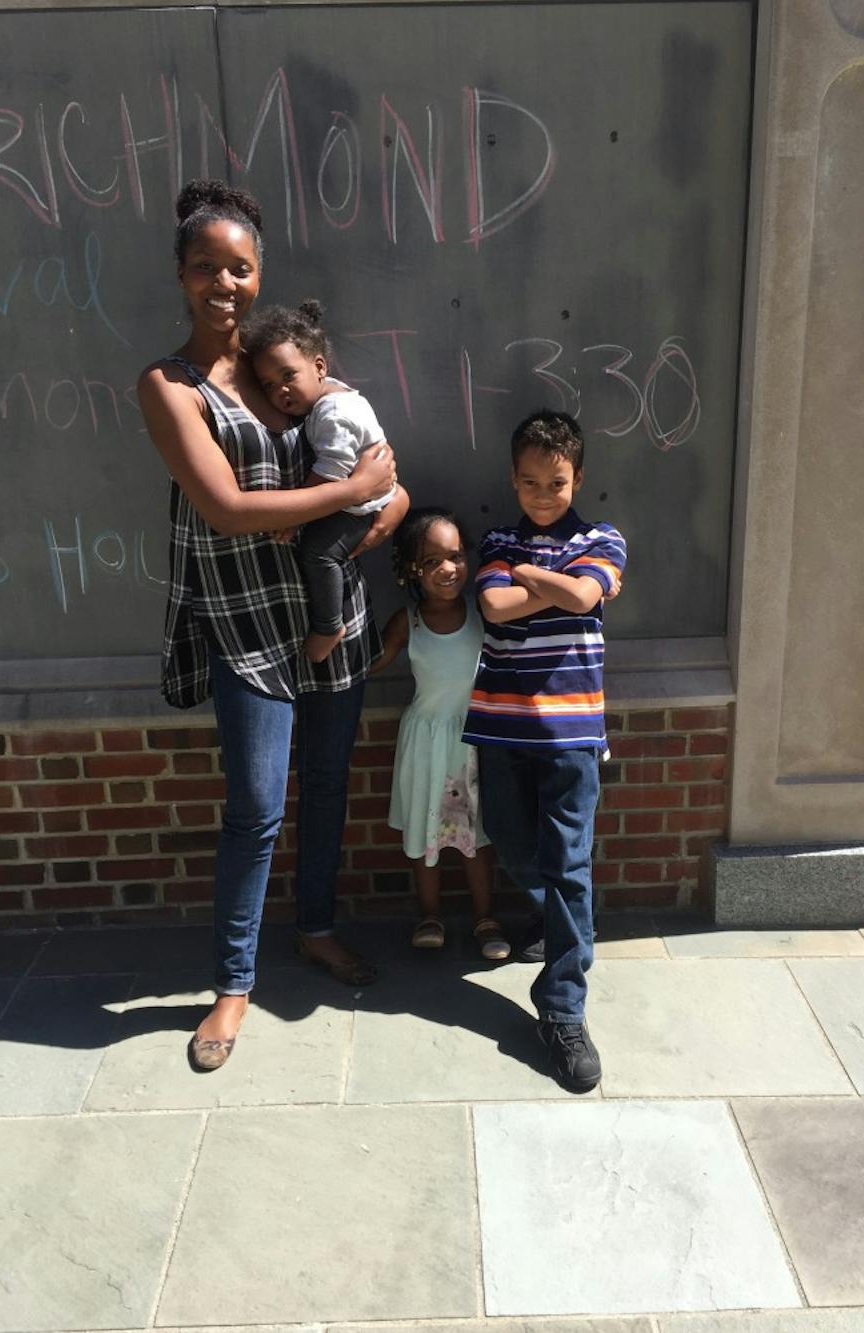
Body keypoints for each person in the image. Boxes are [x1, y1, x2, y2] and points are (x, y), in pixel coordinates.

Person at [138, 178, 407, 1072]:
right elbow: (222, 508)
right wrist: (352, 494)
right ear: (181, 274)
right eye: (207, 266)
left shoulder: (280, 367)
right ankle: (233, 983)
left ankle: (319, 928)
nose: (225, 282)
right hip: (244, 623)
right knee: (256, 810)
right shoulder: (168, 385)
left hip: (330, 617)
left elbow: (384, 477)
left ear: (260, 276)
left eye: (240, 267)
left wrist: (383, 507)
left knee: (326, 784)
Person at [462, 410, 626, 1092]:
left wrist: (536, 579)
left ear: (578, 476)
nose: (541, 494)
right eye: (528, 482)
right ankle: (558, 917)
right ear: (512, 478)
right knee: (508, 834)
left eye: (555, 482)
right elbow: (494, 609)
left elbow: (589, 592)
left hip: (572, 732)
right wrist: (553, 589)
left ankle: (561, 1007)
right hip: (502, 725)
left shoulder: (603, 537)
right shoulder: (497, 536)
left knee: (567, 862)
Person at [373, 508, 510, 961]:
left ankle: (485, 916)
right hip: (426, 744)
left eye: (455, 556)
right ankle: (428, 913)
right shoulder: (406, 623)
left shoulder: (482, 614)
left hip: (472, 743)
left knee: (476, 835)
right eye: (432, 561)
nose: (448, 569)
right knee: (427, 830)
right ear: (411, 568)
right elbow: (369, 664)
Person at [243, 301, 397, 663]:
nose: (280, 390)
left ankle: (329, 625)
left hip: (360, 508)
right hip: (358, 498)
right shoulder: (331, 395)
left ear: (319, 367)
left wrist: (295, 515)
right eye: (268, 385)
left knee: (319, 552)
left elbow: (333, 469)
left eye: (288, 376)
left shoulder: (333, 413)